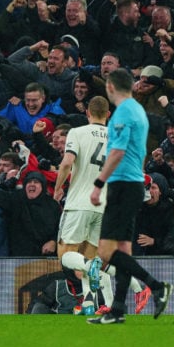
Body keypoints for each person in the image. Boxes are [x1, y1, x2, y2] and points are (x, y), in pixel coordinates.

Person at [87, 69, 172, 325]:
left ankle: (157, 287)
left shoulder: (123, 112)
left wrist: (98, 184)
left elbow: (117, 152)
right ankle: (118, 310)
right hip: (133, 182)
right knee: (124, 249)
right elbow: (138, 151)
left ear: (110, 86)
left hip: (123, 184)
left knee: (105, 251)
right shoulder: (138, 111)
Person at [53, 96, 110, 261]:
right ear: (108, 114)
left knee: (66, 258)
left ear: (87, 113)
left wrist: (58, 189)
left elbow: (66, 163)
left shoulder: (77, 132)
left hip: (79, 203)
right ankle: (88, 287)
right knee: (90, 261)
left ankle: (74, 286)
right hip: (104, 207)